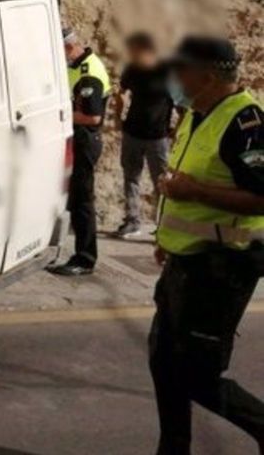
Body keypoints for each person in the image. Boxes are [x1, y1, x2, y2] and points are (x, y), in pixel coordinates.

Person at [149, 36, 264, 454]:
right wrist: (169, 240)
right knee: (163, 362)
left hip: (224, 266)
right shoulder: (198, 113)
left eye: (182, 71)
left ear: (208, 76)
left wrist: (194, 191)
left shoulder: (245, 124)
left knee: (197, 376)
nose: (175, 79)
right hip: (185, 261)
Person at [50, 28, 109, 276]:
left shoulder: (89, 72)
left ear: (69, 48)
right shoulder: (75, 66)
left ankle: (84, 259)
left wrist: (55, 113)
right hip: (75, 139)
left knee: (83, 201)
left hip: (85, 140)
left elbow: (92, 116)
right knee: (73, 199)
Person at [112, 32, 175, 238]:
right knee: (131, 177)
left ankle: (163, 225)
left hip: (158, 137)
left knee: (162, 182)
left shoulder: (168, 73)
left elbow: (183, 107)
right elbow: (120, 92)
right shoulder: (133, 69)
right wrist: (118, 117)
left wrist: (175, 131)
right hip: (133, 133)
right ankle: (132, 221)